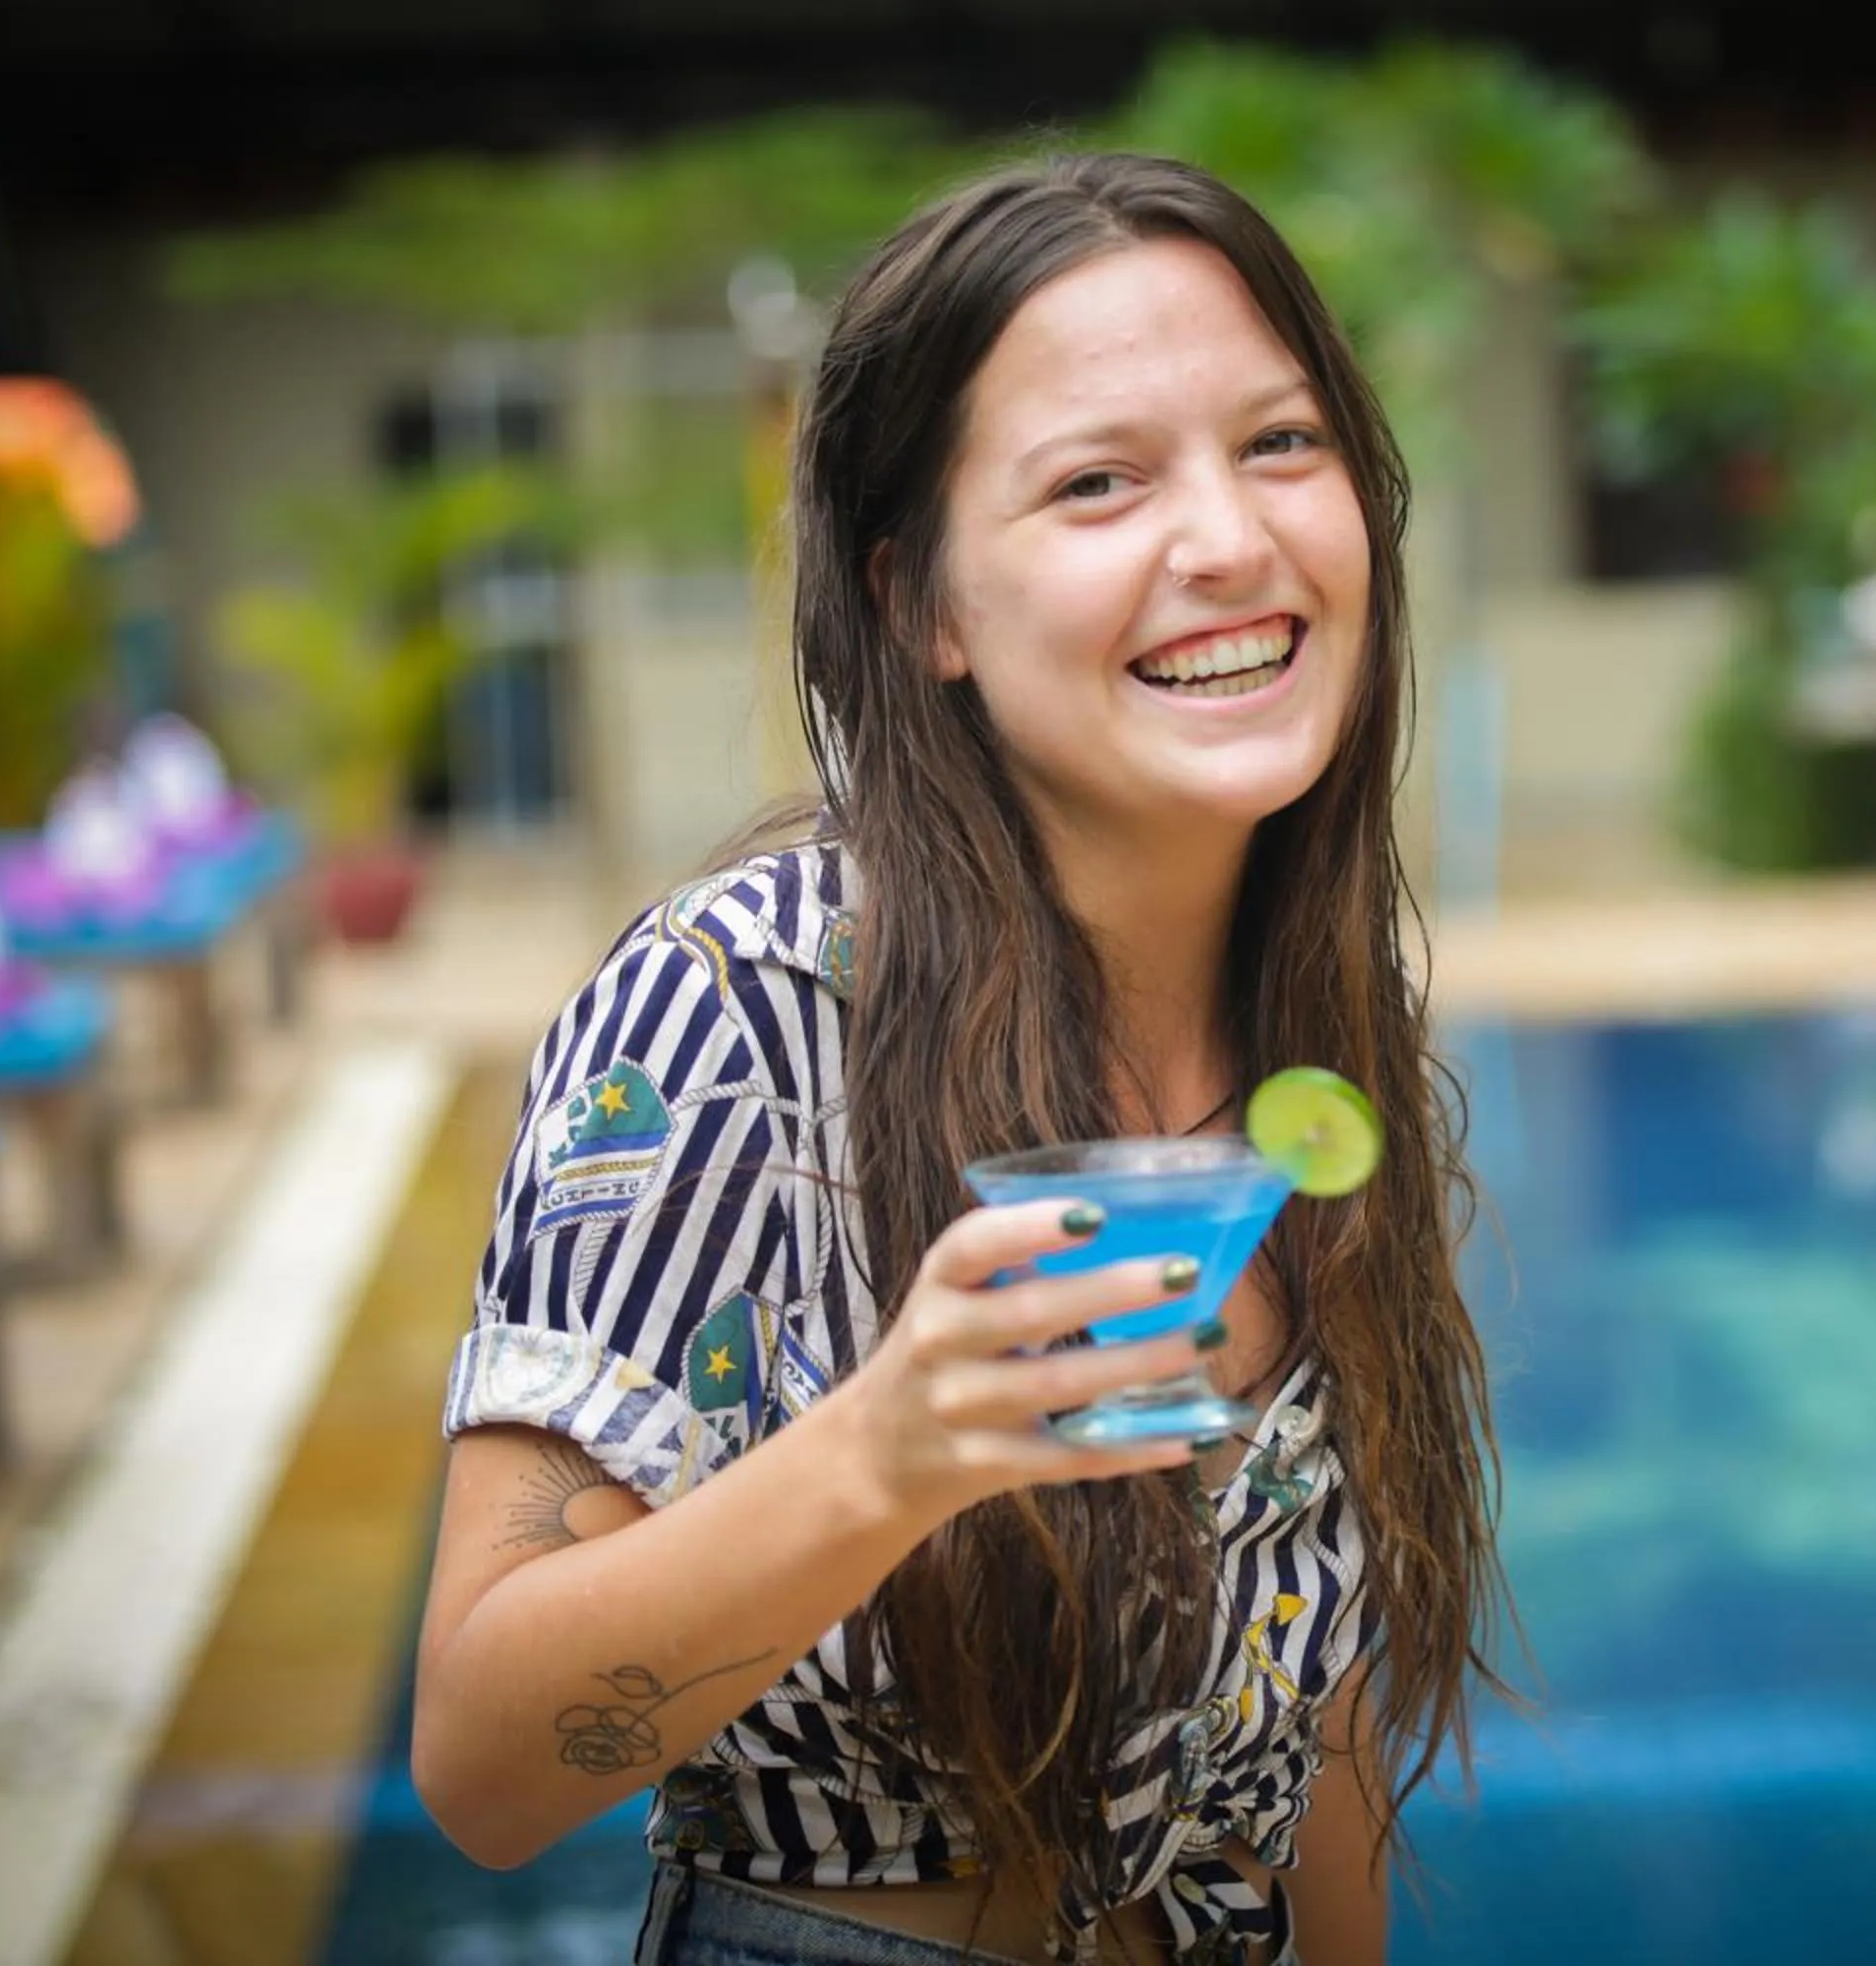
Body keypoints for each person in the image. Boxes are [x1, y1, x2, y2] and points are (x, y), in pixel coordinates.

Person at [410, 152, 1507, 1966]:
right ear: (922, 605)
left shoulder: (1311, 1041)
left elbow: (1306, 1742)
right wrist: (890, 1454)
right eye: (1098, 482)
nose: (1229, 540)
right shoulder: (737, 1012)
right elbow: (484, 1771)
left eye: (1283, 444)